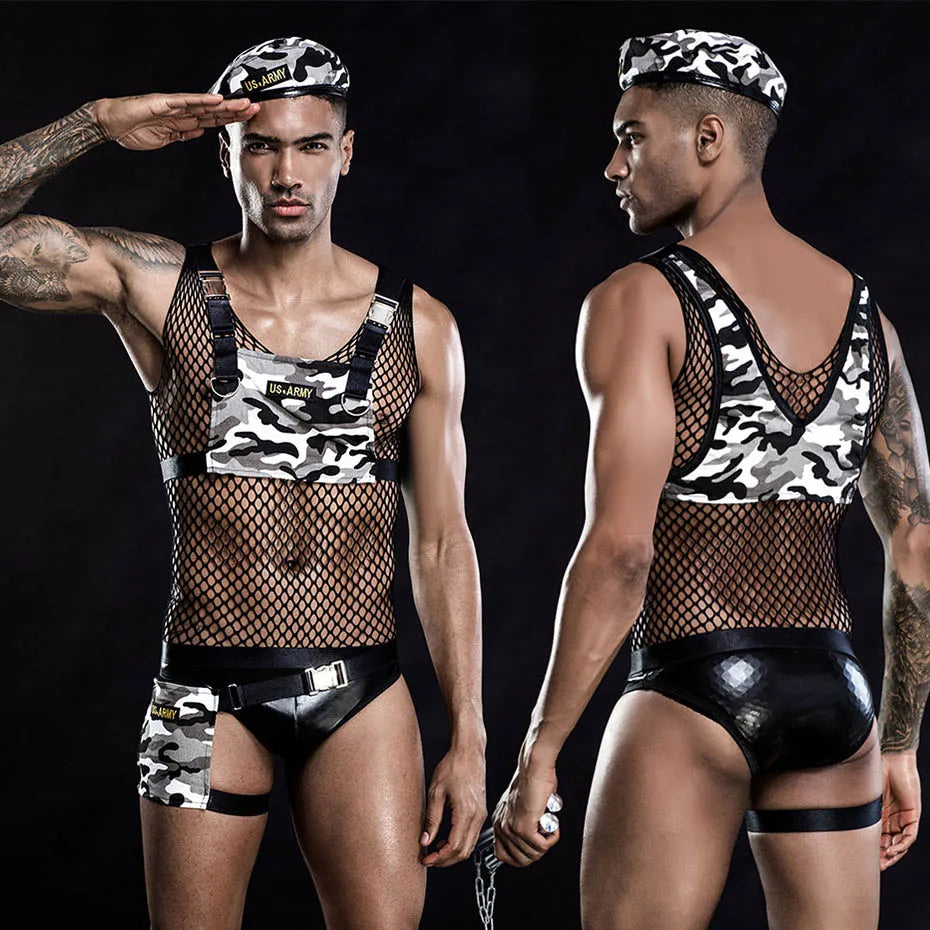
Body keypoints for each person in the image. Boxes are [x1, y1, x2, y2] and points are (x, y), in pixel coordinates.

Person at [0, 36, 486, 930]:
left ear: (345, 152)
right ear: (225, 154)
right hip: (198, 697)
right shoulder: (161, 288)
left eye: (311, 145)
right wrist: (96, 123)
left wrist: (471, 736)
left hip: (360, 691)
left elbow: (442, 541)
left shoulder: (419, 326)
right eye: (261, 146)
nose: (287, 173)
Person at [492, 28, 928, 929]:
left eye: (632, 136)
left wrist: (541, 749)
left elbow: (621, 551)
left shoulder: (640, 301)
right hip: (836, 697)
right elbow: (918, 545)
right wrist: (899, 741)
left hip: (694, 683)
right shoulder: (870, 321)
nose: (614, 166)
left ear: (708, 138)